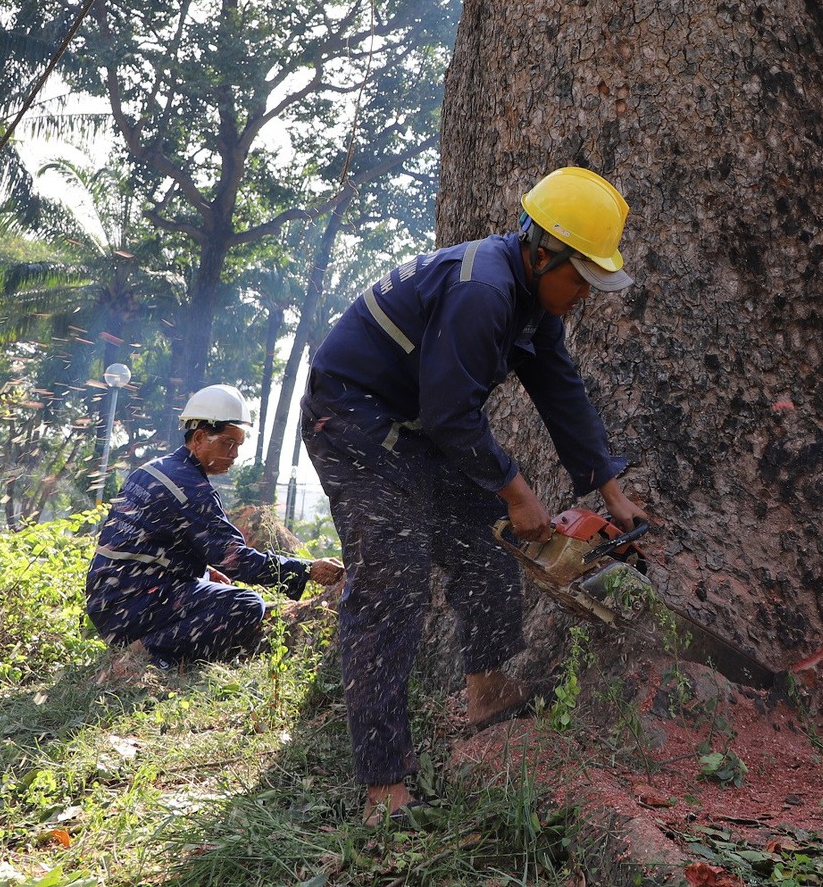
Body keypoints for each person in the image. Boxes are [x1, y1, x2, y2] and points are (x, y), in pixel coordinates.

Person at [303, 166, 651, 823]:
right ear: (540, 250)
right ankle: (383, 783)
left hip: (417, 424)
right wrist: (519, 491)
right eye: (578, 277)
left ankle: (487, 686)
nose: (581, 294)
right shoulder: (483, 289)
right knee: (391, 583)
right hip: (352, 418)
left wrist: (611, 487)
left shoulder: (533, 302)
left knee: (484, 539)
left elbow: (561, 391)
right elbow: (451, 415)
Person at [86, 384, 343, 676]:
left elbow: (144, 546)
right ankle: (146, 652)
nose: (234, 455)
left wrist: (206, 574)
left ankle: (141, 642)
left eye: (238, 446)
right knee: (247, 605)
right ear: (198, 438)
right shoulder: (189, 488)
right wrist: (306, 570)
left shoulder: (151, 470)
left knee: (215, 588)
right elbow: (237, 560)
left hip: (108, 601)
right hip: (132, 608)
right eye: (227, 443)